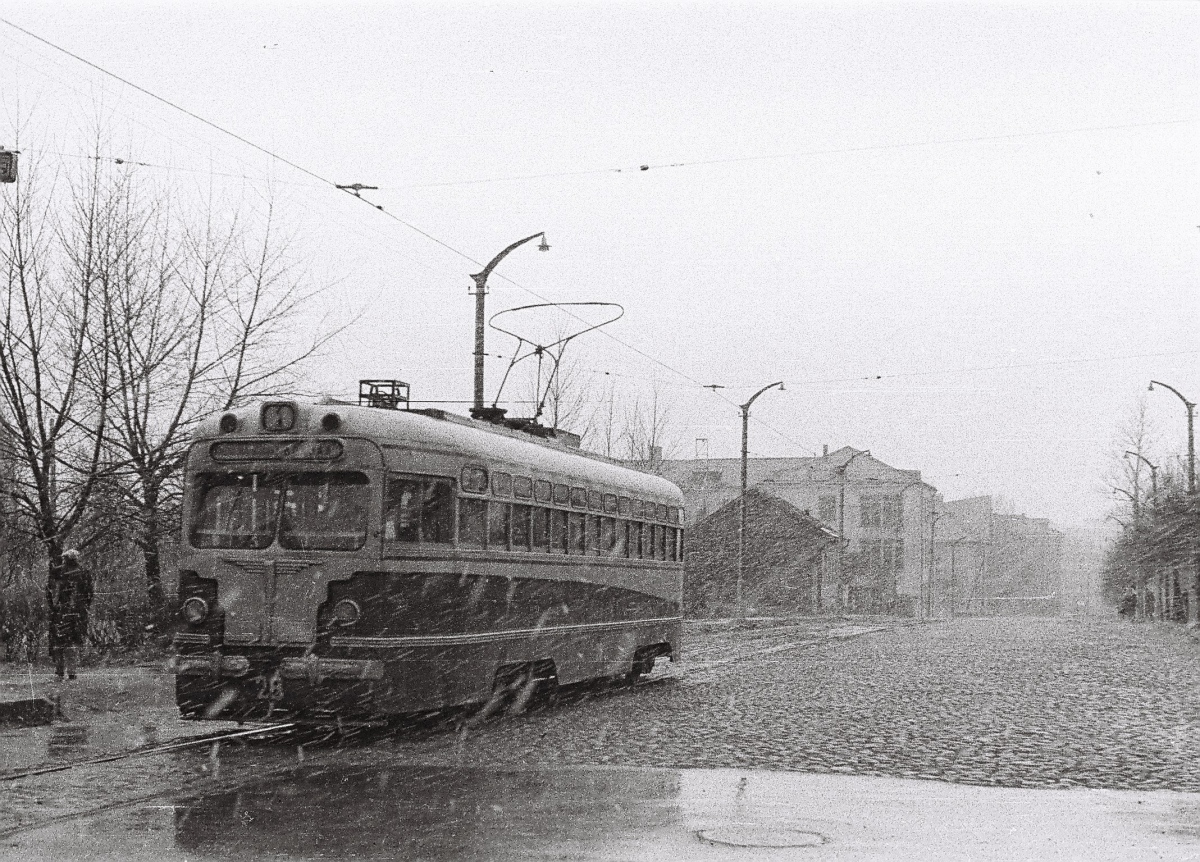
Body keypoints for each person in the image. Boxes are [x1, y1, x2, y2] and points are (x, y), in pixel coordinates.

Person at [47, 549, 93, 680]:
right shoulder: (84, 572)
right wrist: (85, 607)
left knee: (60, 641)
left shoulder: (57, 571)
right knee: (72, 641)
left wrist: (52, 606)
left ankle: (60, 670)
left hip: (61, 611)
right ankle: (70, 671)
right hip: (76, 612)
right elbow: (90, 593)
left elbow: (49, 591)